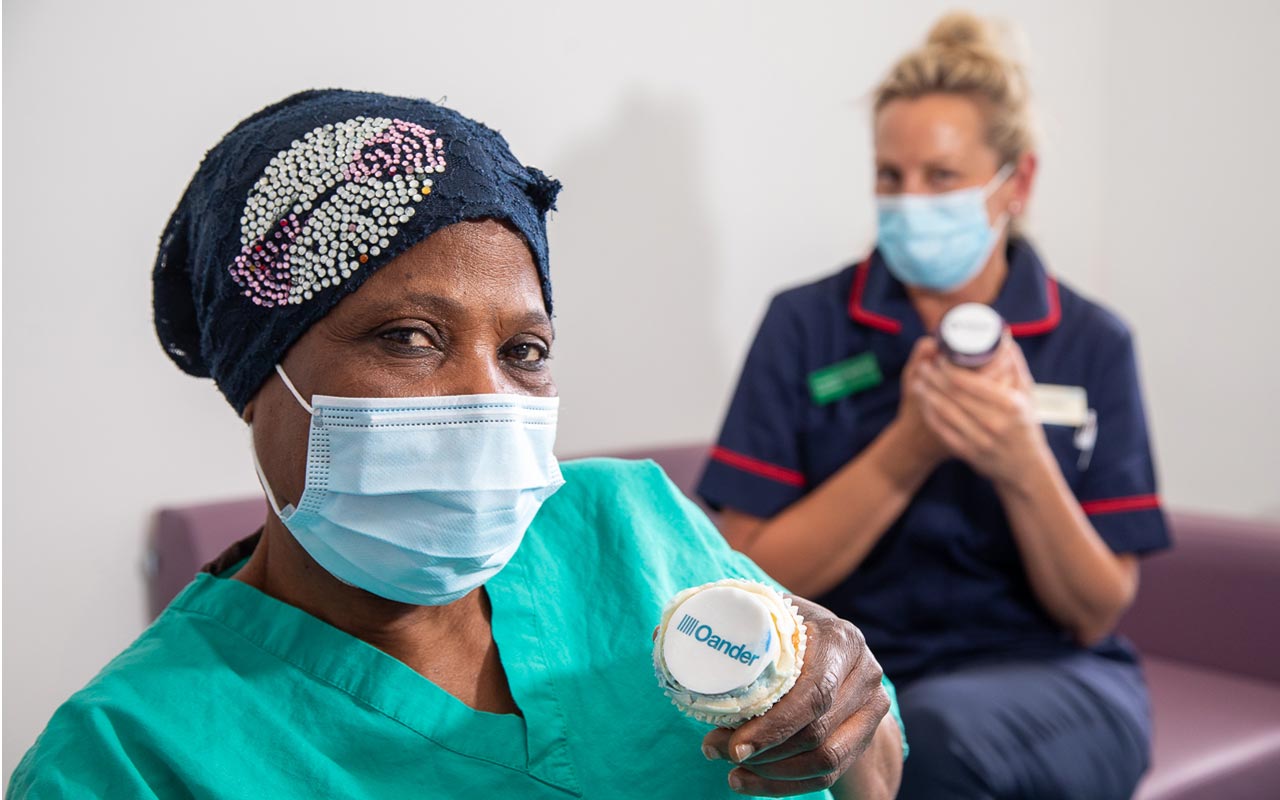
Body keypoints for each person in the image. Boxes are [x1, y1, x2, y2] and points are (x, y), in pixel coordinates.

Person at [9, 90, 904, 800]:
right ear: (259, 383)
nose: (486, 399)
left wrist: (850, 712)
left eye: (524, 352)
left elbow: (874, 772)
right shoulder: (128, 759)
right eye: (407, 337)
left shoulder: (629, 523)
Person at [698, 12, 1168, 800]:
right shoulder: (806, 325)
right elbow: (754, 574)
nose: (909, 201)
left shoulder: (1092, 341)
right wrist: (908, 446)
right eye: (891, 175)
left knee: (929, 739)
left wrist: (1022, 463)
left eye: (941, 177)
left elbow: (1095, 613)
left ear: (1015, 184)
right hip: (848, 669)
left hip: (1054, 675)